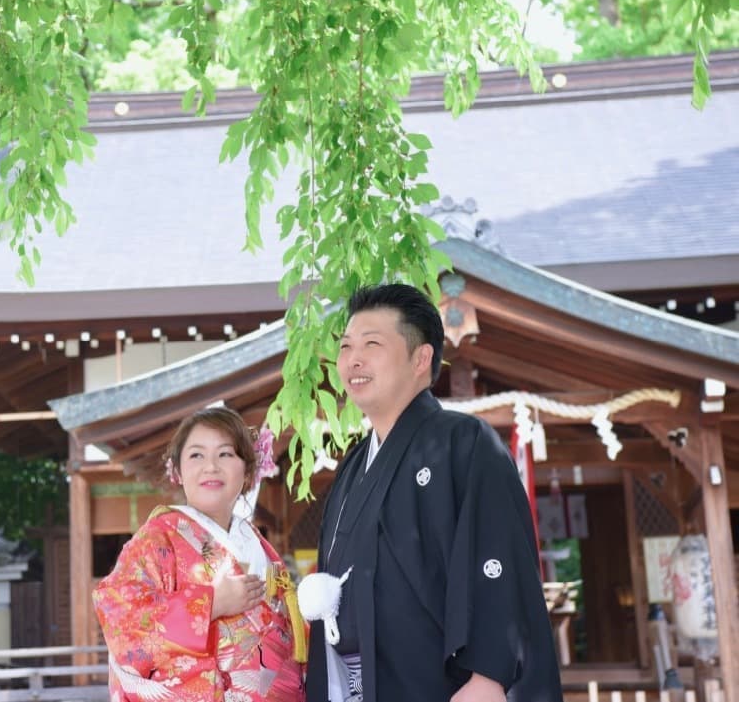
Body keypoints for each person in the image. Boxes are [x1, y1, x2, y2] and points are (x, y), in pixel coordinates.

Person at [304, 283, 562, 702]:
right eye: (347, 346)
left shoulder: (462, 441)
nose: (353, 359)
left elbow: (499, 555)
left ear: (421, 358)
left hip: (444, 686)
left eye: (372, 343)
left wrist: (489, 676)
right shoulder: (352, 466)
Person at [93, 406, 307, 702]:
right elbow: (120, 616)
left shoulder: (260, 547)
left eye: (225, 454)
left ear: (247, 471)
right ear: (177, 472)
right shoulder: (158, 538)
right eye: (196, 455)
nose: (211, 466)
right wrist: (209, 605)